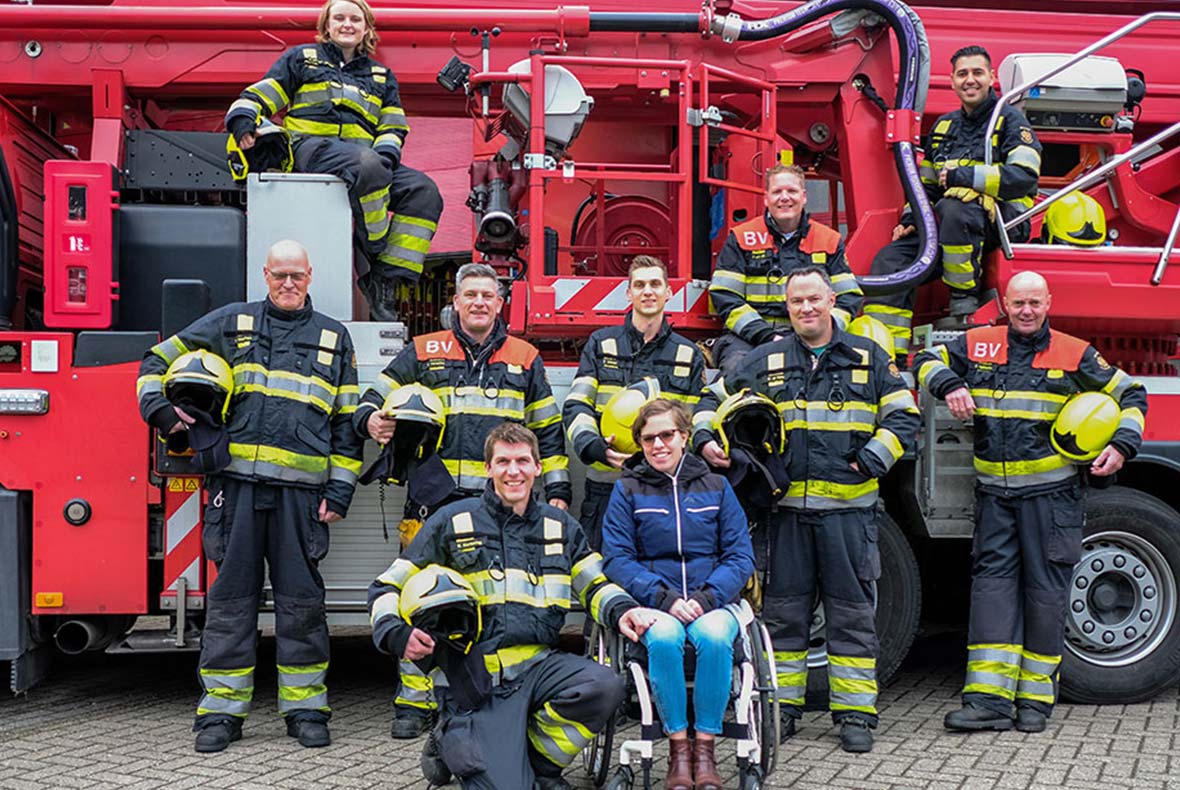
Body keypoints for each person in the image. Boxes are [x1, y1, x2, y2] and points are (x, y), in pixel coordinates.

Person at [136, 240, 363, 752]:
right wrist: (163, 414)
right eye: (279, 274)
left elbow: (349, 425)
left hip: (302, 499)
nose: (288, 283)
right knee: (231, 604)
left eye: (297, 276)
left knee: (302, 606)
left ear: (311, 275)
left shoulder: (334, 336)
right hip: (234, 492)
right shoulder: (230, 323)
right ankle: (220, 713)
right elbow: (156, 360)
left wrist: (341, 492)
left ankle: (305, 708)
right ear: (265, 274)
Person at [693, 266, 920, 753]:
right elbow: (709, 400)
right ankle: (784, 710)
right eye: (796, 302)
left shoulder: (869, 357)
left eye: (814, 299)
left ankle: (856, 714)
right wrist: (706, 436)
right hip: (787, 515)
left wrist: (874, 458)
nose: (806, 309)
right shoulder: (766, 357)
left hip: (849, 516)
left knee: (852, 617)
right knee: (784, 617)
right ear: (787, 306)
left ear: (832, 300)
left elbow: (904, 415)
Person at [912, 271, 1146, 734]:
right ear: (1005, 303)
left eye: (1035, 302)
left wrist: (1121, 446)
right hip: (995, 499)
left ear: (1048, 303)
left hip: (1051, 497)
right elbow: (923, 357)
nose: (1026, 310)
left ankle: (1035, 702)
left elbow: (1132, 395)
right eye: (1018, 302)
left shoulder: (1074, 352)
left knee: (1045, 596)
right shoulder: (979, 343)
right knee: (991, 594)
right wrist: (948, 385)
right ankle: (987, 703)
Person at [368, 423, 655, 790]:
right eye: (503, 461)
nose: (513, 471)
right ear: (488, 468)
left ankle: (538, 766)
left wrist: (624, 610)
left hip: (540, 668)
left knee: (604, 686)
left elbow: (594, 585)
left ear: (537, 467)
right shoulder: (454, 521)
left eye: (523, 461)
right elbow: (386, 585)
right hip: (478, 680)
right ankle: (452, 740)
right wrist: (396, 632)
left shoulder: (560, 526)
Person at [354, 262, 572, 738]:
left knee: (492, 601)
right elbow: (376, 393)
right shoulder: (424, 350)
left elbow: (548, 434)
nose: (478, 302)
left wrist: (556, 492)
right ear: (455, 302)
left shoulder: (524, 357)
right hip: (435, 505)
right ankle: (413, 702)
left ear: (499, 303)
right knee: (420, 600)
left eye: (487, 295)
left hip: (502, 509)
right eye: (469, 294)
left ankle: (482, 692)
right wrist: (370, 419)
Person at [224, 0, 443, 321]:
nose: (347, 24)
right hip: (309, 149)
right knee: (367, 166)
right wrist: (243, 120)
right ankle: (377, 249)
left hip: (366, 158)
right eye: (339, 18)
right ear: (326, 26)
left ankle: (387, 279)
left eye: (355, 19)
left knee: (424, 191)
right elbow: (260, 94)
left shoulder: (382, 76)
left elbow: (393, 126)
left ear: (366, 28)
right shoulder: (301, 58)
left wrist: (385, 158)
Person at [601, 400, 755, 790]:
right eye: (648, 438)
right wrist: (665, 599)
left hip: (712, 599)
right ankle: (677, 750)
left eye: (667, 435)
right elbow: (617, 559)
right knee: (665, 639)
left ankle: (705, 750)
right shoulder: (627, 489)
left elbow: (740, 556)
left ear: (684, 437)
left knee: (716, 637)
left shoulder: (717, 486)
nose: (658, 445)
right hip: (656, 601)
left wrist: (705, 599)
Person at [863, 44, 1042, 357]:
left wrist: (967, 178)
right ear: (952, 80)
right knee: (890, 261)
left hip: (1001, 225)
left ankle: (963, 299)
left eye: (977, 73)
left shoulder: (1011, 122)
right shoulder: (943, 127)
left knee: (954, 207)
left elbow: (1024, 177)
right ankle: (887, 354)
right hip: (948, 226)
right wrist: (909, 220)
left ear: (990, 79)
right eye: (962, 74)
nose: (969, 80)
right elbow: (925, 186)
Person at [562, 256, 706, 549]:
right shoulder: (601, 344)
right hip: (607, 486)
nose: (648, 291)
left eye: (655, 284)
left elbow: (694, 422)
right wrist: (594, 447)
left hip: (664, 492)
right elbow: (576, 405)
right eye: (639, 285)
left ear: (669, 292)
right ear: (629, 293)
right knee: (602, 578)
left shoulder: (687, 354)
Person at [708, 163, 863, 378]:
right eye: (777, 192)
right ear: (766, 198)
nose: (784, 197)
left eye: (791, 191)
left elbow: (849, 297)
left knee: (843, 373)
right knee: (739, 372)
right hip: (749, 338)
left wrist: (822, 332)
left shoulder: (829, 240)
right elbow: (725, 296)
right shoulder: (742, 238)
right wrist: (765, 335)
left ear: (804, 196)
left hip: (813, 335)